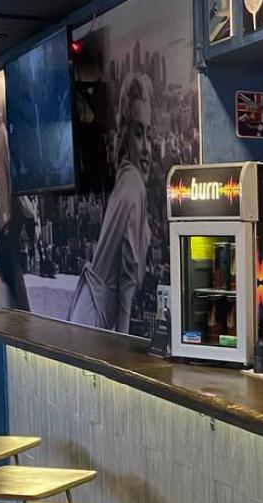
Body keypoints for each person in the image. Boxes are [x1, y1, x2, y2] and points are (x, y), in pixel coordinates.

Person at [68, 72, 153, 333]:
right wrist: (123, 343)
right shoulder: (133, 183)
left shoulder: (125, 178)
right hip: (93, 321)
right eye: (138, 134)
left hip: (86, 314)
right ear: (125, 135)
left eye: (149, 135)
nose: (146, 147)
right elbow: (128, 275)